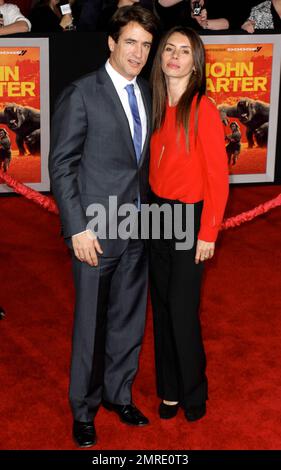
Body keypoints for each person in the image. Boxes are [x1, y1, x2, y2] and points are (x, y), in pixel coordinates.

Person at [49, 5, 158, 447]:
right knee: (91, 324)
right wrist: (77, 228)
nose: (138, 53)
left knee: (129, 319)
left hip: (139, 226)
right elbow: (61, 166)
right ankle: (84, 408)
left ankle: (118, 393)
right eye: (130, 42)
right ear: (111, 42)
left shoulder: (149, 93)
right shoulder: (81, 93)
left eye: (146, 45)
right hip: (94, 230)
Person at [149, 26, 229, 421]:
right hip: (154, 216)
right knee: (161, 307)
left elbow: (219, 177)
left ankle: (194, 390)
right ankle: (169, 390)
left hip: (189, 217)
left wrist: (208, 231)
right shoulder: (155, 103)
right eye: (169, 49)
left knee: (182, 309)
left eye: (184, 50)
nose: (174, 56)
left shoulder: (204, 108)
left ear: (195, 62)